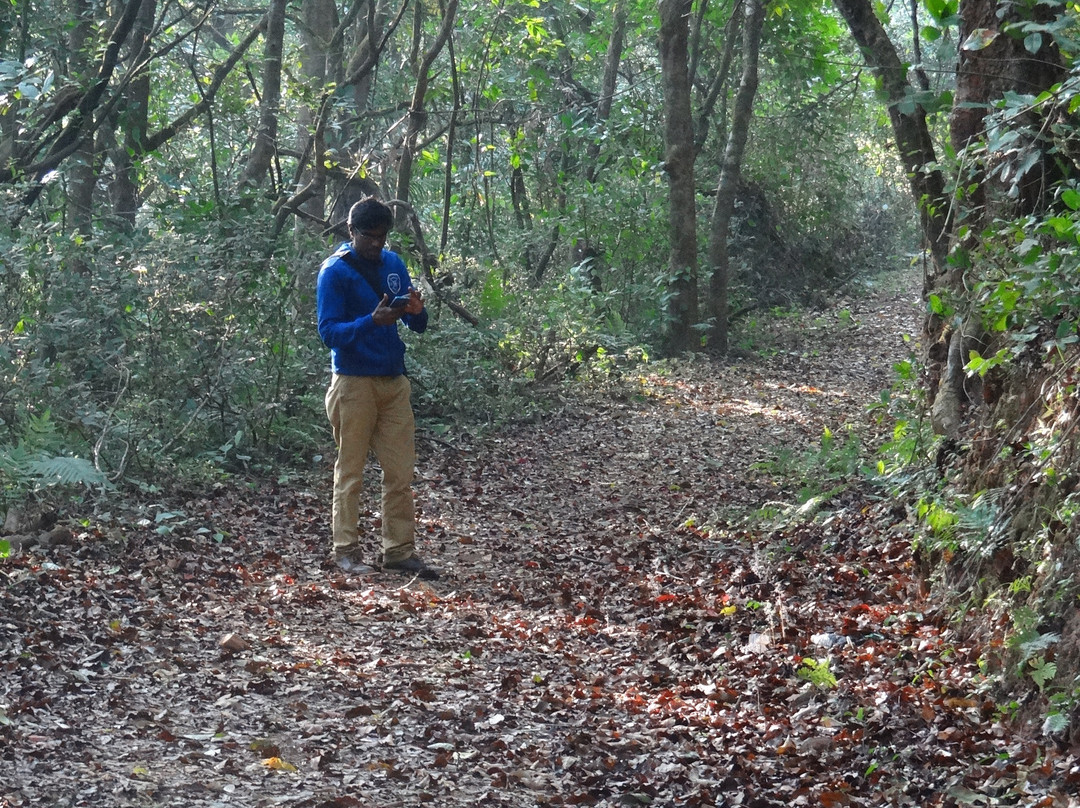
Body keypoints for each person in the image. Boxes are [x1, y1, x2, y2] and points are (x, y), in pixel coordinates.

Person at [316, 196, 439, 581]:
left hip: (393, 381)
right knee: (351, 471)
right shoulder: (334, 272)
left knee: (400, 473)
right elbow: (328, 332)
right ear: (351, 231)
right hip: (353, 382)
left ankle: (399, 551)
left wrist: (417, 314)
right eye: (369, 236)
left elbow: (414, 324)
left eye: (382, 237)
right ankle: (346, 551)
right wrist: (370, 321)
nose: (376, 244)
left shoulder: (393, 264)